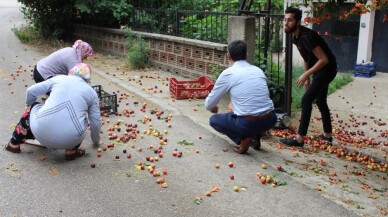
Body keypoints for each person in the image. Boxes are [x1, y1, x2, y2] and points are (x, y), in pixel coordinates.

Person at [5, 63, 101, 160]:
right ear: (87, 79)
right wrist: (96, 141)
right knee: (83, 118)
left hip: (39, 131)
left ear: (71, 72)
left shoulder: (59, 79)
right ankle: (71, 151)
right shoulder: (92, 93)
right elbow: (95, 122)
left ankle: (14, 144)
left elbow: (31, 91)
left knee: (33, 106)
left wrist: (29, 104)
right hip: (70, 140)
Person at [205, 40, 277, 154]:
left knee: (214, 120)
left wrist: (213, 107)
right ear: (246, 55)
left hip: (249, 123)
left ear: (228, 56)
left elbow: (209, 104)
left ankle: (243, 140)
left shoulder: (228, 73)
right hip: (271, 119)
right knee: (252, 110)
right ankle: (255, 138)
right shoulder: (258, 70)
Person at [279, 7, 337, 147]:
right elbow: (306, 57)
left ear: (298, 22)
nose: (286, 23)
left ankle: (299, 139)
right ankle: (327, 135)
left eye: (290, 20)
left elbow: (324, 59)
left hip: (327, 69)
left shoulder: (306, 37)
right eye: (285, 20)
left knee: (306, 100)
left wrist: (306, 74)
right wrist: (308, 79)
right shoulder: (296, 37)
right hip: (320, 69)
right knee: (320, 101)